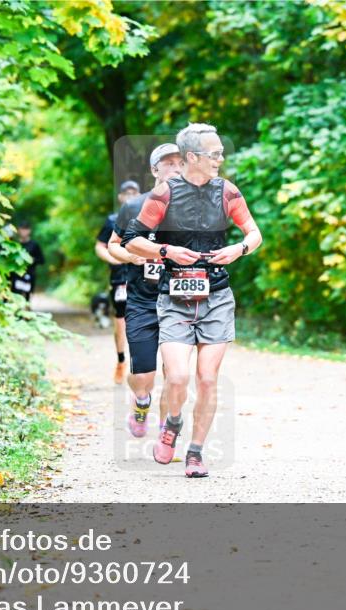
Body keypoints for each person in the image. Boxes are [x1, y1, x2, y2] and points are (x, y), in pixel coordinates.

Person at [122, 124, 262, 478]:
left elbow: (254, 233)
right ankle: (172, 422)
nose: (220, 159)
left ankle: (195, 453)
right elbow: (132, 241)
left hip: (216, 296)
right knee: (179, 376)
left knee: (208, 380)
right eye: (214, 153)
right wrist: (166, 249)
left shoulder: (227, 191)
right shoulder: (164, 195)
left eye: (220, 153)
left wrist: (239, 248)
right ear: (192, 158)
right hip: (174, 297)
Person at [107, 143, 184, 437]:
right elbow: (114, 244)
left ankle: (167, 433)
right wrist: (131, 256)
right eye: (168, 163)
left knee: (174, 375)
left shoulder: (193, 210)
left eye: (180, 162)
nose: (175, 168)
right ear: (154, 170)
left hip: (178, 302)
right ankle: (141, 401)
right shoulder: (134, 207)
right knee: (144, 377)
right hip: (142, 301)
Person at [96, 180, 140, 384]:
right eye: (126, 193)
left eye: (134, 193)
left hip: (143, 276)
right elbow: (100, 246)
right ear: (120, 197)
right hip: (120, 277)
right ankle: (121, 360)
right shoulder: (112, 219)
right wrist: (112, 258)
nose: (130, 196)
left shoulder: (147, 219)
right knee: (121, 319)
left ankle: (142, 364)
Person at [9, 222, 46, 301]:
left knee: (27, 298)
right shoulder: (14, 244)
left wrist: (33, 260)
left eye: (25, 229)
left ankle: (26, 310)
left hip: (29, 275)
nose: (23, 232)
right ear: (18, 230)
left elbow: (42, 260)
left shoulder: (34, 245)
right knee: (15, 297)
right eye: (22, 229)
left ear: (29, 231)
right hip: (16, 275)